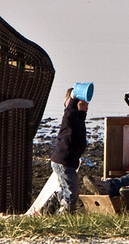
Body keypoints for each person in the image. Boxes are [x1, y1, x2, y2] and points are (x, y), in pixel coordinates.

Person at [26, 83, 93, 215]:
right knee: (71, 191)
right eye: (83, 102)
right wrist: (73, 98)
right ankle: (65, 215)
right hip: (63, 161)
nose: (87, 105)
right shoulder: (69, 118)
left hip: (68, 161)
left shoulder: (79, 120)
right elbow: (70, 110)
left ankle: (49, 208)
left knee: (64, 188)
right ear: (74, 104)